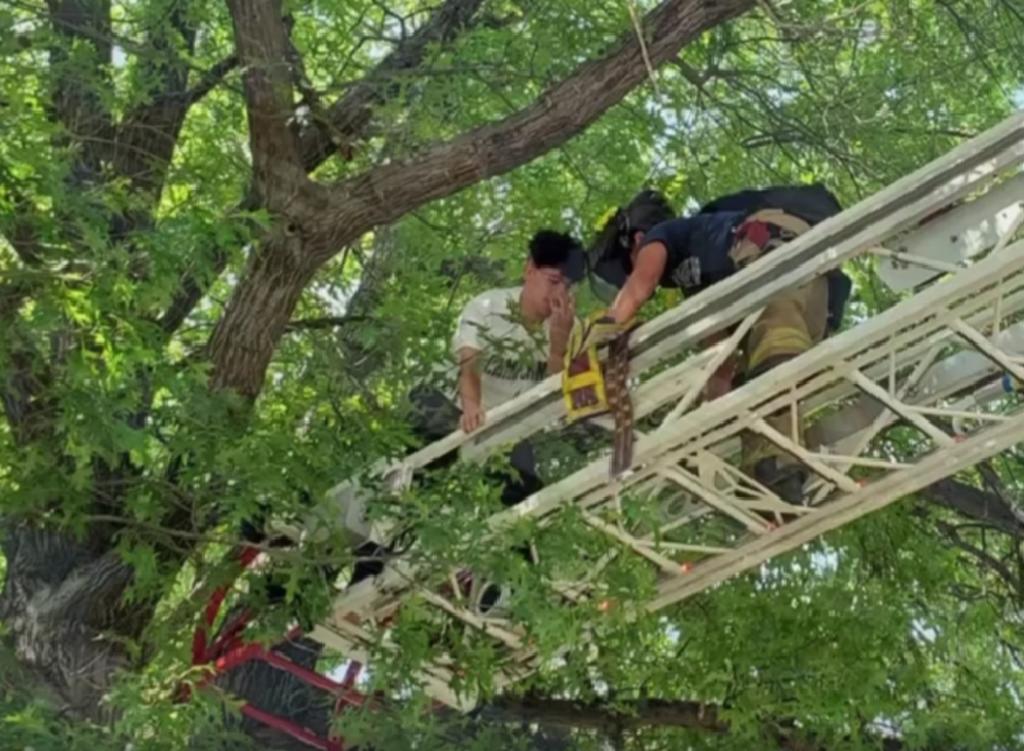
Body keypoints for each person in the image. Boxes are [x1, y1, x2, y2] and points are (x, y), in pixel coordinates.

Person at [585, 184, 852, 504]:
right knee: (758, 378)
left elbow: (637, 290)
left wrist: (599, 344)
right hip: (813, 302)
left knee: (773, 346)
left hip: (776, 255)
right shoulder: (699, 288)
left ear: (638, 240)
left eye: (630, 263)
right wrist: (704, 438)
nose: (634, 270)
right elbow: (720, 364)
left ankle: (778, 462)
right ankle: (770, 473)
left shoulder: (662, 236)